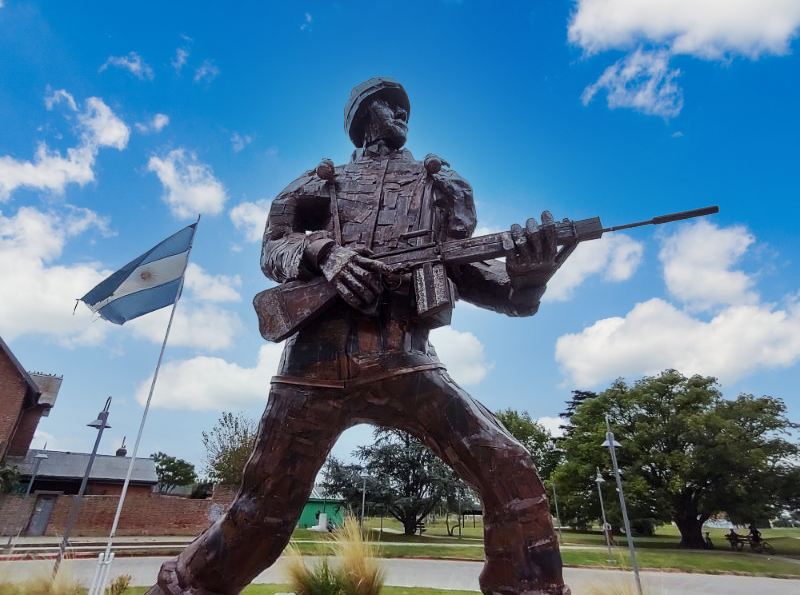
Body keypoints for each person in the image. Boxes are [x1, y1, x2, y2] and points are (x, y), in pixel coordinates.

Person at [147, 77, 572, 595]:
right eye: (390, 106)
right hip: (312, 367)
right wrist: (326, 253)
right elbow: (273, 249)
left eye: (404, 108)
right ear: (365, 115)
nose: (402, 114)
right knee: (260, 515)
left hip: (404, 363)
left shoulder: (440, 185)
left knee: (508, 465)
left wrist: (528, 279)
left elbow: (469, 270)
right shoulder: (318, 182)